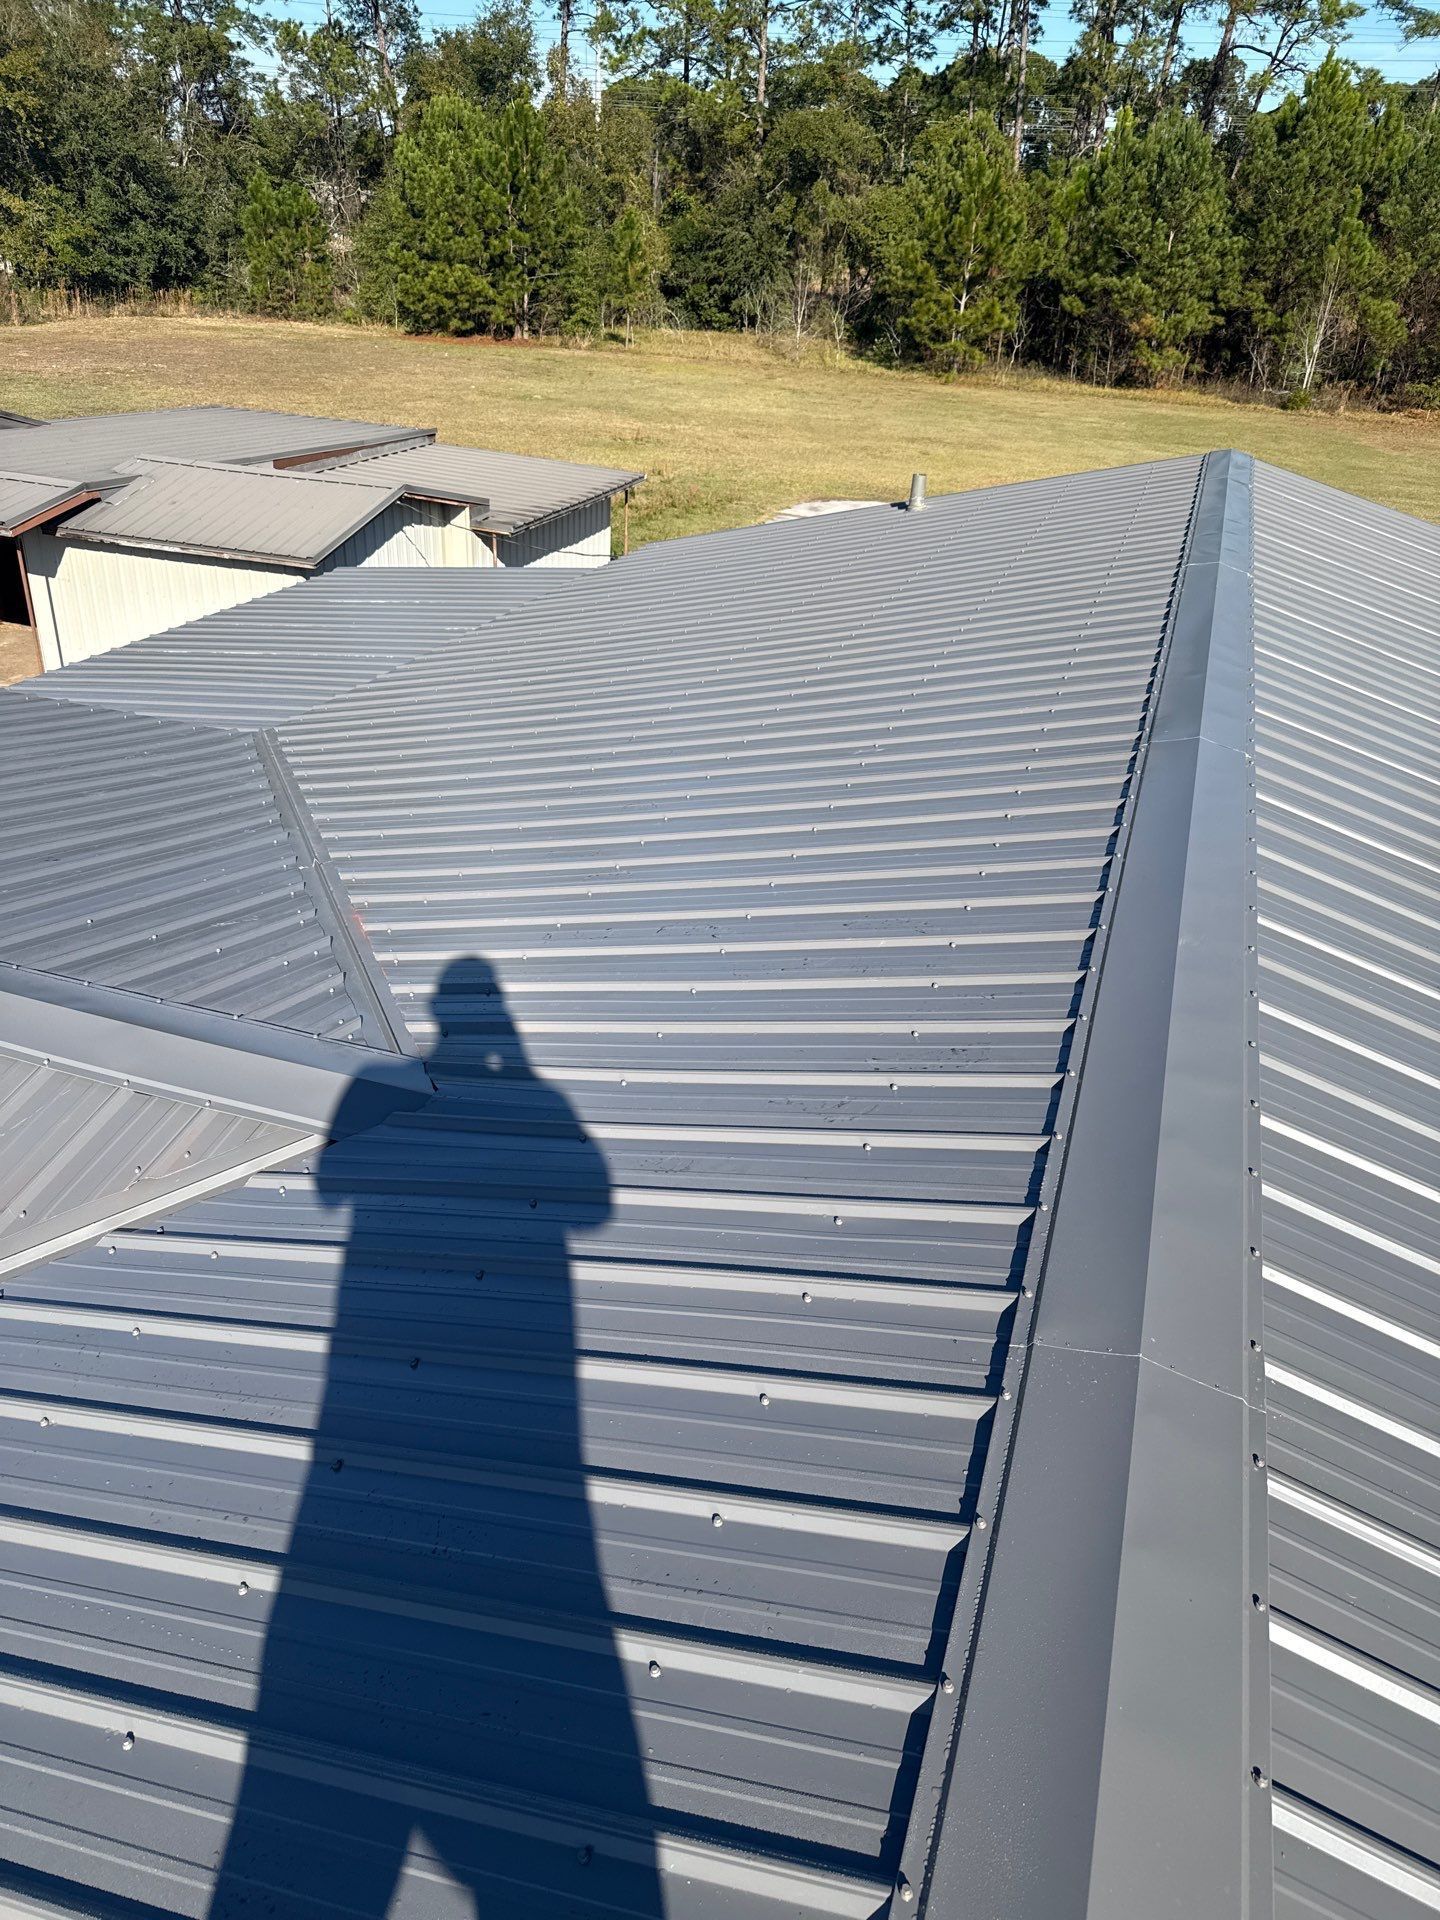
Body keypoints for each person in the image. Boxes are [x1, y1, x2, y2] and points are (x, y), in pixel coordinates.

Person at [209, 957, 662, 1917]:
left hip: (366, 1389)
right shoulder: (536, 1100)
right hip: (524, 1397)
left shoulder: (391, 1083)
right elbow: (593, 1202)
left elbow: (333, 1180)